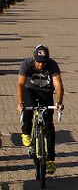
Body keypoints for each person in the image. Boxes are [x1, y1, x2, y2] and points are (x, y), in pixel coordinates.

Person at [17, 45, 64, 174]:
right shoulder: (26, 64)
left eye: (44, 61)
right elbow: (20, 84)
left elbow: (58, 84)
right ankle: (26, 132)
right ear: (33, 58)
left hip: (46, 91)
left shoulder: (52, 65)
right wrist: (20, 102)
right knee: (28, 109)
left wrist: (59, 102)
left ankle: (50, 160)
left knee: (49, 125)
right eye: (38, 61)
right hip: (29, 90)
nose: (41, 64)